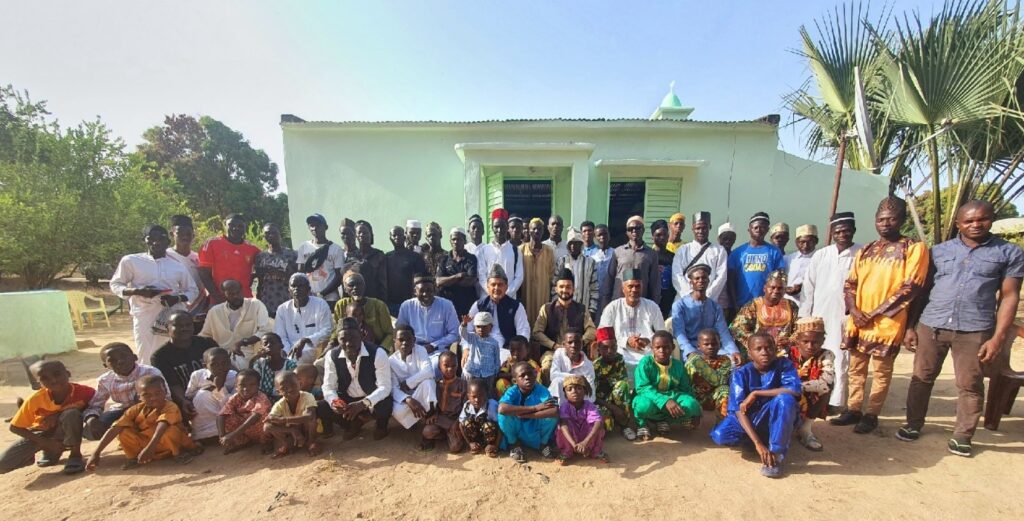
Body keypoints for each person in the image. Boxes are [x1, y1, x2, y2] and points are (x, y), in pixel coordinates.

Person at [900, 200, 1024, 457]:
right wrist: (910, 327)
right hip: (932, 325)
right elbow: (922, 292)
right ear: (958, 224)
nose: (975, 224)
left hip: (975, 328)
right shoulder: (938, 252)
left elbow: (1010, 296)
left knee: (969, 384)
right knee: (921, 378)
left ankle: (963, 435)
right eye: (968, 221)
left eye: (982, 219)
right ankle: (913, 424)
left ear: (991, 219)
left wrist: (997, 338)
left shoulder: (1008, 253)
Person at [832, 197, 928, 435]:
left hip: (888, 322)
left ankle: (872, 414)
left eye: (891, 219)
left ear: (902, 220)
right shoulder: (866, 250)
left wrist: (873, 313)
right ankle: (853, 409)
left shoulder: (913, 248)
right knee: (856, 368)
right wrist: (855, 311)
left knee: (881, 371)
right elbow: (850, 283)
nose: (885, 224)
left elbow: (911, 287)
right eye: (881, 219)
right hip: (859, 320)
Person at [710, 333, 801, 478]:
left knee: (785, 399)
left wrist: (756, 393)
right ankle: (756, 441)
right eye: (758, 349)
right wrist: (757, 443)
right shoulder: (741, 373)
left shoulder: (784, 365)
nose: (764, 352)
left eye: (768, 348)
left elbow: (794, 390)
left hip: (774, 414)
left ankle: (776, 455)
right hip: (751, 417)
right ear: (749, 353)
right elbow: (739, 410)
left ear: (775, 349)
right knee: (720, 435)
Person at [799, 212, 861, 414]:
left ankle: (836, 401)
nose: (842, 235)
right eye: (838, 231)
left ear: (853, 231)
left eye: (846, 231)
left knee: (841, 359)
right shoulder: (822, 255)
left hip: (846, 318)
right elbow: (808, 288)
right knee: (818, 356)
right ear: (832, 233)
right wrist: (805, 317)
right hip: (820, 315)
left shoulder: (861, 254)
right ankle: (816, 398)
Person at [110, 224, 199, 364]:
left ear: (168, 241)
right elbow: (115, 284)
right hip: (144, 315)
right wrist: (137, 291)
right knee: (146, 354)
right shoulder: (131, 261)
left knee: (170, 354)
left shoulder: (177, 265)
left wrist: (176, 298)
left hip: (170, 317)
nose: (156, 242)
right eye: (151, 238)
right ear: (144, 240)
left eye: (161, 239)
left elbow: (193, 290)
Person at [85, 375, 199, 470]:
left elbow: (163, 425)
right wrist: (96, 452)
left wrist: (150, 448)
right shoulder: (135, 409)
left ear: (165, 392)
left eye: (158, 393)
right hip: (147, 446)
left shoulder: (170, 406)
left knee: (171, 430)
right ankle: (133, 458)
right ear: (139, 397)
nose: (153, 398)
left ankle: (178, 454)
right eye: (146, 395)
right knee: (123, 432)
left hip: (165, 444)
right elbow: (116, 428)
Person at [0, 360, 95, 475]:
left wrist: (58, 415)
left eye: (57, 374)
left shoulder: (86, 392)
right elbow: (15, 427)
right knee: (2, 465)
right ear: (38, 382)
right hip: (41, 435)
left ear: (68, 373)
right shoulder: (35, 399)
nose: (53, 380)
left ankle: (75, 455)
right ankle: (48, 452)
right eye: (45, 378)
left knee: (71, 414)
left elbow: (94, 409)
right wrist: (46, 443)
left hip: (66, 430)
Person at [322, 317, 393, 441]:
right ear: (337, 339)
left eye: (353, 338)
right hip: (348, 399)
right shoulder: (332, 356)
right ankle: (353, 424)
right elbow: (328, 386)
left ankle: (381, 426)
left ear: (361, 335)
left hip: (371, 399)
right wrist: (335, 402)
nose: (348, 343)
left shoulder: (378, 353)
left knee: (385, 403)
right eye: (343, 339)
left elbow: (385, 387)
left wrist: (363, 404)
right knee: (323, 407)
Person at [84, 342, 166, 441]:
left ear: (134, 357)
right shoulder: (105, 380)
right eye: (112, 360)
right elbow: (96, 404)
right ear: (106, 366)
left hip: (149, 407)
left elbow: (166, 397)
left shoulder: (150, 372)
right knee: (94, 429)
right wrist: (91, 418)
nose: (120, 361)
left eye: (124, 356)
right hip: (122, 410)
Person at [632, 331, 701, 441]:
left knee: (691, 405)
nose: (662, 351)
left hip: (672, 397)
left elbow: (685, 389)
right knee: (643, 405)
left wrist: (696, 413)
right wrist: (665, 401)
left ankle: (664, 420)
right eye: (657, 347)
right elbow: (642, 387)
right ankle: (642, 424)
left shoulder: (678, 365)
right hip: (650, 398)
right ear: (652, 348)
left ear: (673, 347)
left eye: (666, 347)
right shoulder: (645, 363)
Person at [151, 311, 218, 421]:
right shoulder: (160, 356)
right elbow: (173, 384)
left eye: (188, 325)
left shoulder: (207, 343)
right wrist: (183, 401)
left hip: (215, 391)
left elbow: (224, 367)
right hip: (187, 399)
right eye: (178, 325)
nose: (184, 328)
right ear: (167, 328)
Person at [533, 267, 597, 379]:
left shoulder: (581, 309)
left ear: (573, 289)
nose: (564, 290)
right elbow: (537, 332)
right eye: (561, 287)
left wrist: (578, 342)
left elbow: (592, 330)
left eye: (568, 287)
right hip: (552, 351)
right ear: (556, 289)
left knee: (586, 370)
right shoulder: (546, 308)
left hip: (576, 351)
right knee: (547, 367)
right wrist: (554, 345)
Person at [599, 269, 663, 378]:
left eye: (638, 286)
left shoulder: (652, 306)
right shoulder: (612, 307)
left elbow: (662, 333)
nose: (634, 290)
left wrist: (647, 340)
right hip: (620, 351)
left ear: (642, 288)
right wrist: (627, 341)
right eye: (630, 286)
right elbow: (602, 335)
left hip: (647, 352)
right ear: (623, 289)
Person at [672, 264, 742, 365]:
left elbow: (723, 333)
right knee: (696, 365)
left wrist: (734, 351)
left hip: (713, 348)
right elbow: (679, 333)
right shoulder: (680, 305)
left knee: (734, 363)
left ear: (708, 281)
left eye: (704, 278)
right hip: (692, 348)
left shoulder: (715, 306)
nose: (701, 281)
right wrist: (689, 351)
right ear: (691, 282)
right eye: (697, 278)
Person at [199, 279, 273, 369]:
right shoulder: (215, 312)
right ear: (223, 294)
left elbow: (265, 330)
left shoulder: (255, 305)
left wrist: (243, 342)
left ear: (242, 291)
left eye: (238, 292)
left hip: (248, 353)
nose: (236, 296)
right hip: (221, 355)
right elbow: (205, 336)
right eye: (231, 294)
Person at [498, 362, 560, 463]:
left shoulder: (541, 390)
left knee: (552, 416)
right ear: (515, 381)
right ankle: (514, 445)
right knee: (503, 416)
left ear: (535, 375)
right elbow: (502, 408)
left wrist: (528, 415)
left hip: (534, 428)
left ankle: (542, 445)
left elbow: (555, 411)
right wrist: (535, 408)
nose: (527, 377)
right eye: (522, 375)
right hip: (517, 428)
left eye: (530, 374)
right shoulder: (512, 391)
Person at [397, 275, 461, 373]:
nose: (425, 294)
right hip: (412, 349)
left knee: (434, 368)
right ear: (415, 292)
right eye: (421, 291)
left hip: (437, 351)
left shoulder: (446, 305)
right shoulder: (406, 306)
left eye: (429, 290)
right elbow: (399, 331)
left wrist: (434, 345)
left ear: (435, 290)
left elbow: (455, 333)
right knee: (402, 368)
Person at [789, 317, 835, 452]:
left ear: (823, 341)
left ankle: (805, 430)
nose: (810, 346)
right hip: (785, 394)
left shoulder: (826, 355)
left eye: (815, 342)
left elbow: (826, 383)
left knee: (827, 389)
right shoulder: (785, 353)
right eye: (805, 341)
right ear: (797, 340)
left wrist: (797, 387)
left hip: (798, 391)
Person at [731, 269, 799, 359]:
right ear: (764, 288)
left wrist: (789, 341)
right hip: (759, 352)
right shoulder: (753, 305)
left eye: (780, 288)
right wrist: (759, 341)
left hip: (785, 352)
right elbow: (737, 328)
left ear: (785, 290)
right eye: (772, 287)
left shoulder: (791, 305)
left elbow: (800, 329)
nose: (776, 291)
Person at [197, 213, 261, 305]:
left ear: (245, 228)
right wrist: (218, 298)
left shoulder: (253, 249)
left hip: (245, 300)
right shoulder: (212, 244)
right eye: (232, 225)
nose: (236, 228)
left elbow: (261, 271)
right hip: (219, 301)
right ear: (225, 225)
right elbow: (203, 273)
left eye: (240, 226)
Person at [601, 215, 660, 310]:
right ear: (627, 232)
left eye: (637, 228)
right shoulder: (618, 251)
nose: (634, 231)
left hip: (640, 304)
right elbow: (609, 279)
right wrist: (605, 306)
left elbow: (655, 284)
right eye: (630, 229)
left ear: (643, 230)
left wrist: (654, 307)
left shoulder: (651, 254)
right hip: (618, 303)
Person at [727, 212, 784, 309]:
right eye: (755, 227)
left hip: (767, 306)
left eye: (762, 227)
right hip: (742, 305)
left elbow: (779, 279)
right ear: (749, 230)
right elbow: (730, 282)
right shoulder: (737, 253)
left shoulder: (774, 252)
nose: (759, 230)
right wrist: (734, 304)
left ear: (767, 230)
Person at [274, 273, 333, 364]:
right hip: (290, 353)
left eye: (301, 286)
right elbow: (280, 336)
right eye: (293, 286)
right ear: (289, 290)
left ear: (308, 289)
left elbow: (327, 330)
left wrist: (306, 340)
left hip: (315, 350)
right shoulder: (282, 309)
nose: (297, 289)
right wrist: (287, 352)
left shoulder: (320, 304)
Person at [467, 264, 530, 349]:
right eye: (493, 284)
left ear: (506, 287)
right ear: (488, 287)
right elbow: (468, 329)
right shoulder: (479, 305)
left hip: (507, 350)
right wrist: (466, 348)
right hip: (482, 348)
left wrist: (517, 350)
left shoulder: (516, 306)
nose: (496, 288)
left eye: (500, 285)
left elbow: (523, 331)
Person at [672, 211, 729, 305]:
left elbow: (721, 277)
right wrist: (690, 297)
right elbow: (676, 275)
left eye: (704, 228)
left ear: (710, 227)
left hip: (709, 302)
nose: (701, 231)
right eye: (698, 228)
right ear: (692, 228)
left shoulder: (719, 251)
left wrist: (705, 296)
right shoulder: (682, 250)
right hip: (684, 302)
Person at [389, 324, 437, 434]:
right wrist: (408, 399)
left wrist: (407, 383)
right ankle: (418, 418)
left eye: (408, 339)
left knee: (429, 383)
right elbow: (393, 388)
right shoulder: (391, 361)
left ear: (414, 340)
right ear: (395, 341)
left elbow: (428, 371)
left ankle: (430, 418)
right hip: (406, 398)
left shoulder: (420, 350)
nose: (404, 343)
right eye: (401, 340)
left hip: (422, 392)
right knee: (397, 411)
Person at [591, 327, 637, 440]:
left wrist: (616, 407)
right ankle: (614, 418)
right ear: (599, 349)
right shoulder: (594, 366)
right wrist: (613, 408)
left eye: (613, 347)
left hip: (616, 398)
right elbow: (593, 397)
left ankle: (624, 426)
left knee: (622, 386)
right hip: (601, 402)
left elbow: (622, 382)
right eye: (605, 348)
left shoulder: (619, 359)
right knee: (603, 421)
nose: (610, 351)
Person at [184, 347, 237, 442]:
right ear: (205, 366)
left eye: (224, 363)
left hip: (224, 415)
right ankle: (205, 434)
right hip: (203, 418)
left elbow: (234, 402)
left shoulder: (234, 376)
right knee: (202, 395)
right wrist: (205, 390)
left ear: (229, 363)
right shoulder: (197, 375)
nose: (220, 367)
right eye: (214, 364)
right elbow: (189, 396)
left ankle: (222, 431)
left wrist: (219, 388)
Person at [265, 370, 321, 457]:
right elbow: (268, 424)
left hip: (306, 429)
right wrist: (292, 430)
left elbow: (310, 416)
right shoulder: (279, 404)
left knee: (311, 420)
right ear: (278, 392)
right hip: (293, 430)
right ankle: (285, 444)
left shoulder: (307, 396)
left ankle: (311, 442)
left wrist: (283, 420)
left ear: (300, 384)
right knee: (267, 426)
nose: (290, 389)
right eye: (284, 388)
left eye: (293, 385)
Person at [333, 271, 395, 350]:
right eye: (351, 285)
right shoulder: (341, 305)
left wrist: (381, 350)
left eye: (359, 284)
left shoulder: (378, 305)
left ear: (364, 286)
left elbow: (389, 333)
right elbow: (336, 331)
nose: (355, 287)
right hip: (348, 347)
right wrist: (331, 345)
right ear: (345, 289)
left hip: (376, 346)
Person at [296, 213, 345, 312]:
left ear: (326, 227)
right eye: (311, 225)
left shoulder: (336, 249)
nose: (314, 228)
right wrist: (306, 293)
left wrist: (322, 294)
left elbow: (339, 276)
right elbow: (300, 273)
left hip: (330, 298)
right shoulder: (303, 247)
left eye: (318, 225)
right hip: (309, 298)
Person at [217, 369, 272, 454]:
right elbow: (221, 415)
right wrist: (222, 436)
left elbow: (255, 417)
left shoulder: (261, 397)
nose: (246, 389)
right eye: (242, 385)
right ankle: (243, 442)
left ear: (258, 385)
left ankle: (266, 442)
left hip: (261, 429)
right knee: (226, 416)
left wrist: (232, 435)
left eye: (252, 385)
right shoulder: (235, 397)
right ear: (236, 386)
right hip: (246, 430)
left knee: (263, 418)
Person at [555, 375, 607, 465]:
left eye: (579, 388)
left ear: (585, 391)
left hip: (587, 438)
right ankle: (566, 452)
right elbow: (564, 423)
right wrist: (573, 444)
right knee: (561, 427)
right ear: (565, 394)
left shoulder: (590, 406)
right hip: (572, 439)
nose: (574, 391)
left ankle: (595, 451)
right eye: (569, 389)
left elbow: (597, 422)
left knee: (598, 424)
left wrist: (585, 442)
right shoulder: (564, 406)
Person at [685, 329, 733, 421]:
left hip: (714, 396)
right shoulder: (692, 361)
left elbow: (719, 381)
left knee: (725, 390)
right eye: (706, 344)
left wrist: (699, 363)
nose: (710, 347)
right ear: (698, 346)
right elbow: (686, 382)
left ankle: (724, 422)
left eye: (714, 344)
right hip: (696, 396)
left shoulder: (725, 360)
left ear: (719, 345)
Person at [423, 351, 466, 452]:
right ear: (439, 367)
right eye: (446, 366)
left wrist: (458, 421)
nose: (450, 369)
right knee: (427, 432)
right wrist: (434, 414)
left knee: (455, 448)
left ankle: (453, 434)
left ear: (457, 366)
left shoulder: (463, 384)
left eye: (453, 366)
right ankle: (444, 434)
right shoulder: (436, 384)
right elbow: (435, 404)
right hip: (441, 419)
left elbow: (466, 407)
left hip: (455, 420)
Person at [476, 208, 524, 298]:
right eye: (496, 226)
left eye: (502, 226)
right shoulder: (484, 250)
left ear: (507, 227)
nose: (499, 230)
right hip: (488, 298)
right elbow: (481, 276)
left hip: (509, 299)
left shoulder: (516, 251)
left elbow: (519, 277)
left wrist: (506, 294)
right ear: (492, 227)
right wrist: (492, 293)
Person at [166, 214, 208, 316]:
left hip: (198, 309)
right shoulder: (165, 256)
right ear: (172, 234)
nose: (185, 237)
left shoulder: (198, 258)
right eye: (180, 233)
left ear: (193, 235)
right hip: (172, 308)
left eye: (188, 234)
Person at [253, 222, 298, 318]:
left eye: (274, 232)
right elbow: (260, 280)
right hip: (267, 301)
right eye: (267, 233)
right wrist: (258, 297)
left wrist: (278, 273)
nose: (271, 235)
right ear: (264, 237)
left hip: (287, 299)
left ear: (279, 234)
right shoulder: (261, 256)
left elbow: (298, 278)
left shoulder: (292, 255)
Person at [554, 228, 598, 318]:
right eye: (570, 243)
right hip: (563, 309)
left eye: (576, 243)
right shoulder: (562, 261)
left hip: (583, 309)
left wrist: (592, 310)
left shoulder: (590, 262)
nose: (573, 246)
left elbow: (594, 288)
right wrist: (556, 307)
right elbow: (555, 285)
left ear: (581, 244)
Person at [520, 217, 557, 324]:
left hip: (543, 294)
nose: (536, 231)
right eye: (534, 229)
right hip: (526, 293)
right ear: (529, 230)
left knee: (542, 320)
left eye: (539, 229)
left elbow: (552, 275)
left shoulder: (549, 251)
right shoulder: (521, 249)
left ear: (543, 231)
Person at [385, 225, 428, 315]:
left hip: (411, 303)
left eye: (399, 235)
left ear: (405, 237)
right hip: (391, 304)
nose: (397, 237)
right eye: (394, 235)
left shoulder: (415, 257)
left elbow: (420, 280)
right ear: (390, 238)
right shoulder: (386, 257)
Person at [436, 227, 479, 316]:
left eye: (459, 239)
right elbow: (439, 281)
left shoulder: (471, 258)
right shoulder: (444, 259)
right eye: (453, 239)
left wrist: (448, 282)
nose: (456, 242)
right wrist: (458, 276)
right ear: (450, 241)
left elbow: (471, 281)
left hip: (467, 305)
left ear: (464, 241)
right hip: (448, 305)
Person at [547, 330, 596, 404]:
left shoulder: (588, 365)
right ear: (564, 344)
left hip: (578, 402)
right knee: (557, 381)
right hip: (561, 399)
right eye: (570, 342)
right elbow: (553, 375)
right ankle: (558, 408)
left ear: (582, 344)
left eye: (577, 342)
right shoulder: (559, 354)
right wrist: (577, 378)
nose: (573, 345)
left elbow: (591, 395)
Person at [459, 378, 502, 457]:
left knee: (488, 426)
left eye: (481, 395)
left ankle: (490, 446)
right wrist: (470, 443)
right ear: (468, 396)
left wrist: (496, 445)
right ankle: (475, 445)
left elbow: (500, 426)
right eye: (474, 396)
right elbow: (461, 425)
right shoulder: (467, 406)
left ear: (486, 394)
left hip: (489, 436)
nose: (477, 400)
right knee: (466, 422)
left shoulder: (491, 405)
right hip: (476, 436)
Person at [461, 313, 502, 395]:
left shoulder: (494, 343)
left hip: (488, 374)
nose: (481, 329)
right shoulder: (472, 338)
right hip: (471, 372)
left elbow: (497, 359)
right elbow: (463, 334)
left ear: (491, 327)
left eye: (484, 326)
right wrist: (464, 324)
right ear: (474, 327)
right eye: (478, 326)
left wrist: (496, 372)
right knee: (468, 393)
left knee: (486, 394)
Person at [249, 332, 298, 401]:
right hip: (261, 400)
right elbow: (250, 377)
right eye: (265, 344)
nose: (269, 345)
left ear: (281, 346)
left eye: (272, 343)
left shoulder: (290, 365)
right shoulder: (260, 363)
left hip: (283, 400)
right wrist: (257, 356)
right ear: (261, 347)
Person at [347, 220, 388, 301]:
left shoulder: (378, 255)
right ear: (356, 236)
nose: (362, 234)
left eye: (365, 232)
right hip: (355, 302)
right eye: (359, 232)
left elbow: (383, 283)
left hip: (374, 301)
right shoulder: (351, 256)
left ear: (371, 235)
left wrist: (383, 303)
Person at [783, 224, 818, 302]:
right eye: (802, 242)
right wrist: (785, 289)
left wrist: (802, 287)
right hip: (788, 302)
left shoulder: (821, 259)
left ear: (816, 241)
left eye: (809, 241)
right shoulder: (788, 259)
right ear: (796, 242)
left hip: (811, 303)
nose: (805, 245)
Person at [651, 219, 677, 316]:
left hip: (668, 301)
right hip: (651, 299)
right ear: (653, 236)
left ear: (668, 235)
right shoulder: (648, 256)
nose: (662, 238)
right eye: (658, 235)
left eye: (664, 234)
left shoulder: (674, 257)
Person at [590, 224, 615, 319]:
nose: (602, 237)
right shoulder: (591, 256)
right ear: (595, 237)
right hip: (595, 297)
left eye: (604, 234)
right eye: (599, 235)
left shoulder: (615, 253)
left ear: (609, 235)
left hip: (611, 296)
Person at [717, 222, 739, 322]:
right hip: (718, 302)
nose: (728, 241)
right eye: (725, 238)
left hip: (734, 302)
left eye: (731, 239)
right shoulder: (713, 255)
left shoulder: (737, 256)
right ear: (719, 239)